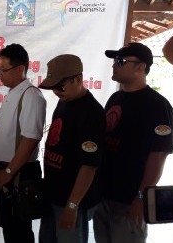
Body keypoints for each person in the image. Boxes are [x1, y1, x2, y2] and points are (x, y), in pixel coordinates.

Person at [93, 42, 173, 243]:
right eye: (114, 61)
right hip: (103, 197)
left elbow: (158, 156)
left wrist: (141, 197)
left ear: (141, 67)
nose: (114, 65)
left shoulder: (158, 106)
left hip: (130, 201)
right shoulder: (115, 98)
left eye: (120, 61)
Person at [37, 54, 105, 243]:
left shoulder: (92, 114)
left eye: (61, 86)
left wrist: (72, 206)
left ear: (79, 79)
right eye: (54, 88)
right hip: (53, 194)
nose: (57, 92)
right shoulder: (65, 101)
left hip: (72, 200)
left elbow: (89, 166)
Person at [0, 43, 46, 243]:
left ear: (20, 69)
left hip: (19, 174)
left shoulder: (31, 96)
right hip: (6, 171)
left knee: (19, 229)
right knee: (7, 224)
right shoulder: (13, 93)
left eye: (4, 69)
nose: (0, 74)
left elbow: (30, 140)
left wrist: (9, 171)